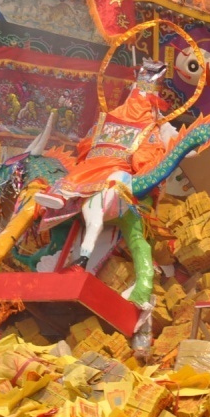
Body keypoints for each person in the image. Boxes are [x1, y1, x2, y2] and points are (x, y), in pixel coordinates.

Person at [35, 60, 183, 266]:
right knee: (75, 175)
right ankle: (58, 196)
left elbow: (146, 156)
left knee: (80, 174)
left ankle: (60, 196)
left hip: (118, 168)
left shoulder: (150, 124)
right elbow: (92, 143)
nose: (139, 95)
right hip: (103, 162)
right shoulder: (122, 118)